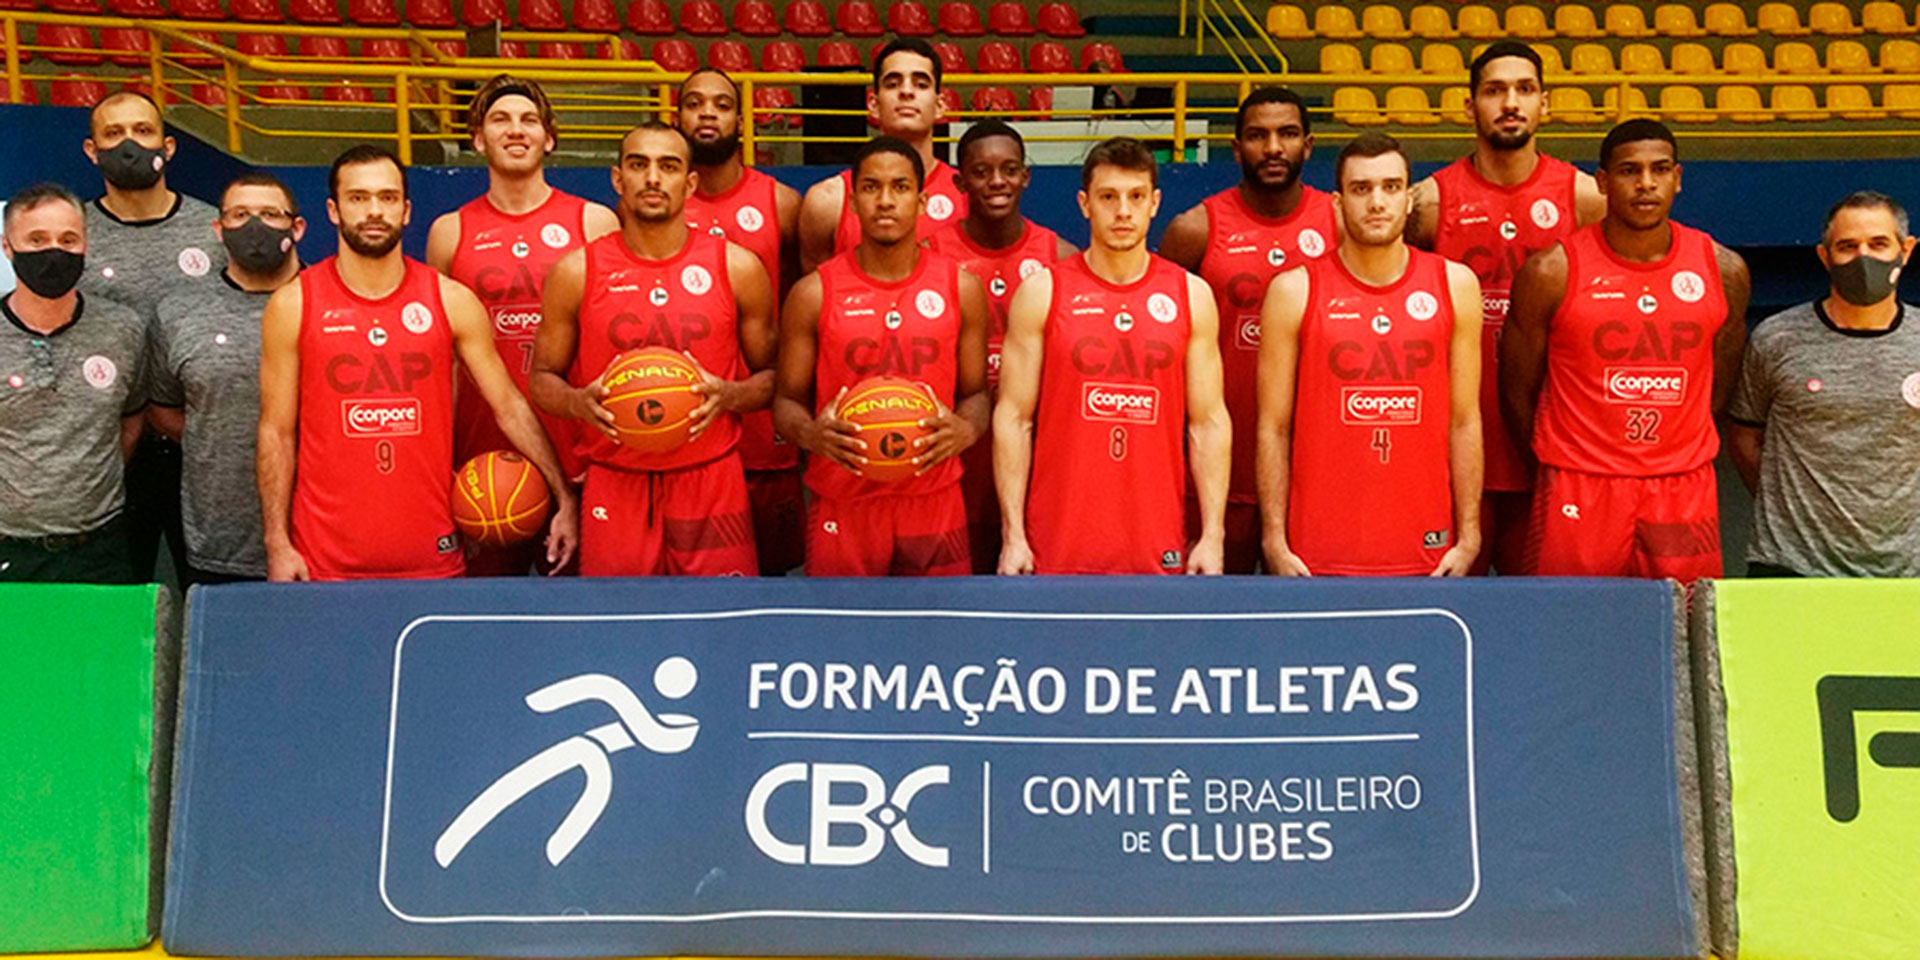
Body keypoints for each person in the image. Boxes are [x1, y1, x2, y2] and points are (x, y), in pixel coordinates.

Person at [257, 146, 578, 582]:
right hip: (323, 560)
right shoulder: (293, 304)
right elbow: (277, 431)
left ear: (407, 211)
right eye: (358, 198)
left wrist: (563, 497)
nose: (374, 211)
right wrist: (278, 543)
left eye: (387, 198)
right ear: (333, 210)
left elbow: (509, 406)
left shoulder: (452, 300)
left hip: (434, 554)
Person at [1501, 120, 1750, 580]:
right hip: (1579, 485)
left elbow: (1721, 382)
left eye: (1659, 170)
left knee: (1682, 628)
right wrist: (1558, 462)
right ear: (1601, 181)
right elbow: (1517, 391)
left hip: (1681, 484)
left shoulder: (1723, 269)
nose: (1646, 184)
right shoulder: (1550, 272)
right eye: (1629, 171)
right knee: (1567, 627)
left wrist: (1680, 444)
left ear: (1678, 177)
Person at [531, 123, 775, 577]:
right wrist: (578, 403)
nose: (653, 178)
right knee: (621, 633)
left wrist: (729, 395)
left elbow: (775, 379)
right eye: (638, 165)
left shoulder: (737, 266)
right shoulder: (576, 271)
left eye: (669, 166)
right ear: (618, 179)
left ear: (691, 183)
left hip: (711, 476)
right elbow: (542, 379)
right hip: (614, 479)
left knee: (721, 630)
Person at [1408, 41, 1607, 575]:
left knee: (1540, 618)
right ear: (1469, 106)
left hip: (1548, 455)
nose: (1511, 102)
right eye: (1495, 91)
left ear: (1547, 102)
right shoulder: (1427, 203)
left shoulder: (1585, 199)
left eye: (1524, 89)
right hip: (1449, 456)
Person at [994, 136, 1231, 576]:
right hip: (1056, 538)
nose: (1123, 211)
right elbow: (1013, 419)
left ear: (1155, 203)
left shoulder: (1191, 295)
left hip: (1156, 538)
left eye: (1136, 197)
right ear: (1084, 203)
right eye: (1108, 197)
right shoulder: (1044, 292)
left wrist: (1212, 536)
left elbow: (1209, 422)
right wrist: (1013, 536)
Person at [1256, 133, 1484, 577]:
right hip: (1314, 550)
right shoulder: (1294, 290)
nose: (1377, 202)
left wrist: (1470, 534)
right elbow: (1273, 427)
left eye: (1391, 187)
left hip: (1428, 547)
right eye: (1361, 189)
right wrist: (1274, 539)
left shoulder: (1455, 285)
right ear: (1338, 203)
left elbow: (1465, 419)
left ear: (1410, 198)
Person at [425, 74, 619, 576]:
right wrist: (440, 455)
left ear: (549, 138)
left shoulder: (595, 223)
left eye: (529, 120)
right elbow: (442, 362)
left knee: (584, 621)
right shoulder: (450, 232)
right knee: (489, 624)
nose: (516, 130)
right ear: (477, 138)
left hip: (578, 452)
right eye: (500, 120)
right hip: (484, 457)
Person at [774, 136, 991, 576]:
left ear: (923, 201)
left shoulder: (962, 288)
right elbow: (785, 403)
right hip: (844, 498)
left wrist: (965, 430)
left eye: (900, 187)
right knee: (841, 640)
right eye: (871, 188)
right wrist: (811, 434)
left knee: (941, 634)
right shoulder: (814, 293)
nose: (886, 201)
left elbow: (977, 395)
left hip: (933, 497)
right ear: (852, 202)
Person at [1159, 86, 1338, 573]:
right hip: (1219, 473)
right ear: (1236, 149)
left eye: (1287, 134)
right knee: (1213, 618)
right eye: (1258, 136)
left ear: (1309, 144)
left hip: (1313, 471)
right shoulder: (1195, 229)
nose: (1274, 147)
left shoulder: (1340, 222)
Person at [1728, 191, 1920, 577]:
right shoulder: (1776, 338)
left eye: (1878, 244)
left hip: (1906, 571)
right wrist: (1788, 509)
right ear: (1824, 256)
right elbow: (1744, 436)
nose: (1863, 257)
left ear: (1906, 249)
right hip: (1792, 565)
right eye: (1847, 246)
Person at [80, 91, 227, 584]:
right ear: (91, 150)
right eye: (113, 134)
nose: (129, 144)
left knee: (212, 596)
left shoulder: (215, 229)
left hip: (204, 446)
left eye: (142, 131)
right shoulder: (73, 233)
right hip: (112, 449)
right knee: (115, 607)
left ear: (169, 145)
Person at [925, 120, 1075, 573]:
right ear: (959, 180)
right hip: (953, 449)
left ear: (1026, 177)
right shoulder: (928, 254)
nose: (996, 182)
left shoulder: (1062, 258)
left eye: (1009, 170)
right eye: (982, 171)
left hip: (1034, 447)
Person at [677, 67, 807, 576]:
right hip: (679, 426)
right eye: (694, 103)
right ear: (678, 115)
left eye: (721, 104)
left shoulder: (780, 203)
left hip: (762, 428)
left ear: (740, 119)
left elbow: (799, 308)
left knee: (774, 578)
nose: (707, 113)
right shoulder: (647, 204)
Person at [147, 174, 305, 585]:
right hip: (218, 540)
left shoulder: (331, 301)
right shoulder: (178, 313)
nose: (255, 226)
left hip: (321, 536)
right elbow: (162, 409)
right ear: (218, 229)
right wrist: (215, 439)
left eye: (271, 214)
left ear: (297, 227)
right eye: (240, 215)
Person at [0, 184, 147, 583]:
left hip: (101, 547)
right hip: (9, 548)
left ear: (85, 245)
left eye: (68, 239)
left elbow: (130, 421)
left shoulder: (123, 329)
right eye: (37, 239)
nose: (54, 252)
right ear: (7, 246)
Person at [798, 37, 969, 275]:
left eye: (921, 84)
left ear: (940, 105)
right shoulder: (828, 201)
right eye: (892, 84)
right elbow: (818, 297)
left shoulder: (968, 197)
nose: (907, 92)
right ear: (874, 104)